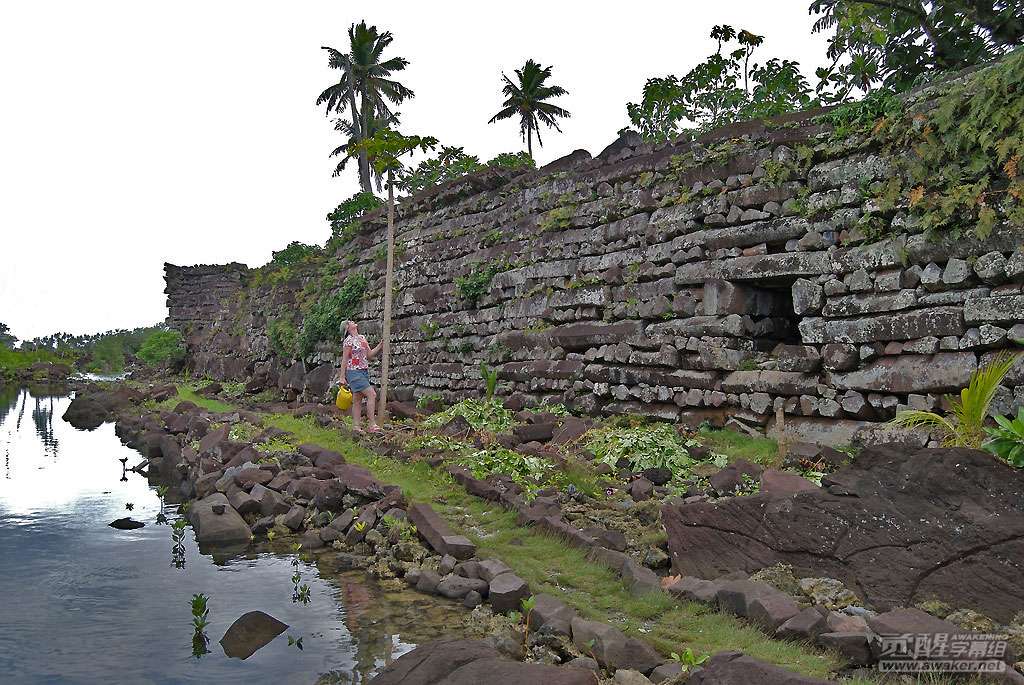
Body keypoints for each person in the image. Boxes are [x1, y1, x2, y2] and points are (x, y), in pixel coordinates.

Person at [338, 320, 383, 433]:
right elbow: (344, 359)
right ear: (347, 328)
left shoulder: (362, 338)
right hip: (353, 371)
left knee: (357, 399)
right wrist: (342, 377)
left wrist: (380, 346)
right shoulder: (348, 341)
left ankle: (356, 426)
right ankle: (372, 424)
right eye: (350, 322)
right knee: (371, 394)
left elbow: (369, 355)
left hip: (363, 371)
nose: (353, 322)